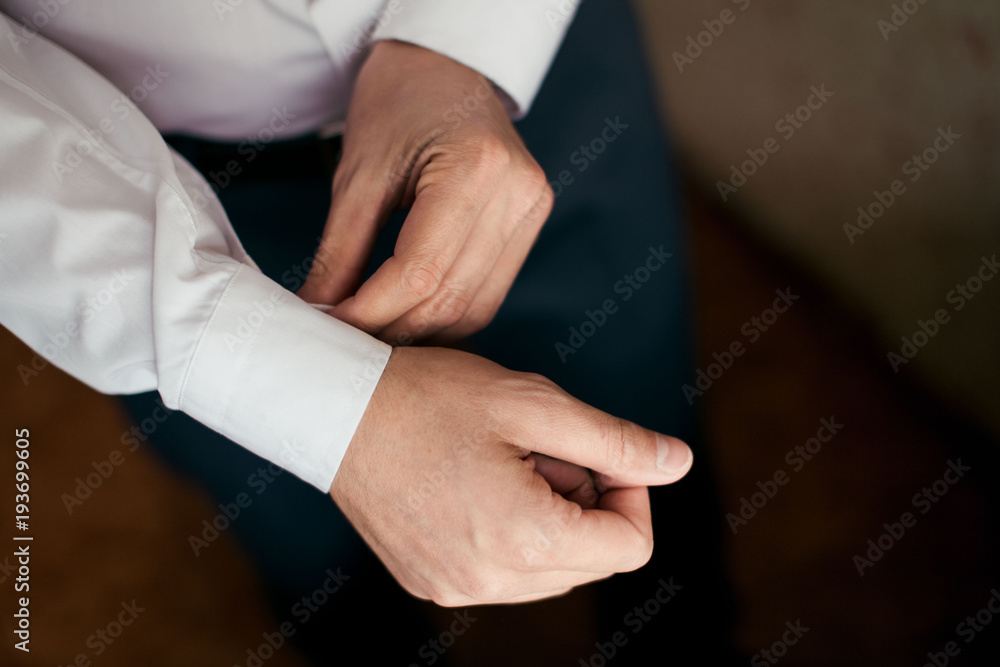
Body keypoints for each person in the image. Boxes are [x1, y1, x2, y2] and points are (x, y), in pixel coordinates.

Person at [1, 0, 738, 662]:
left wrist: (464, 39)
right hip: (143, 201)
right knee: (314, 560)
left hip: (541, 74)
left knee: (639, 434)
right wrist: (318, 401)